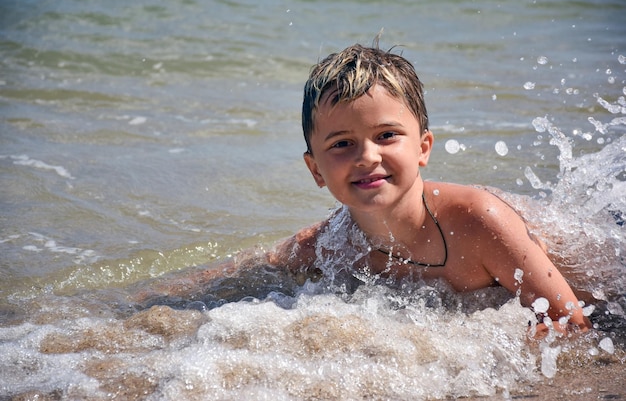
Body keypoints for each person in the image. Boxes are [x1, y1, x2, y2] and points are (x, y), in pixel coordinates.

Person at [136, 43, 591, 337]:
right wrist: (142, 305)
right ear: (315, 170)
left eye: (387, 135)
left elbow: (572, 323)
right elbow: (243, 272)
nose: (367, 156)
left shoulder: (478, 221)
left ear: (423, 148)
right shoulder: (329, 246)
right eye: (342, 144)